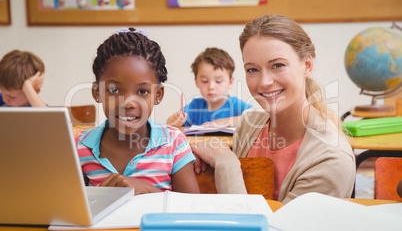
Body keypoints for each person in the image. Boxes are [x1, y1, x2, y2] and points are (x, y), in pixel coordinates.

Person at [191, 15, 356, 204]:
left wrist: (225, 163)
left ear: (307, 66)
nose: (264, 82)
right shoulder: (249, 124)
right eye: (252, 69)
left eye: (277, 65)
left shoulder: (332, 159)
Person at [75, 27, 200, 195]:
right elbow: (73, 211)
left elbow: (188, 212)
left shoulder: (174, 143)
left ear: (158, 95)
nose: (128, 103)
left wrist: (147, 190)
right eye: (114, 90)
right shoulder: (80, 147)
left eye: (142, 92)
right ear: (97, 92)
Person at [166, 47, 252, 128]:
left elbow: (258, 118)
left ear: (230, 82)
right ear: (196, 81)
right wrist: (173, 121)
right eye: (204, 81)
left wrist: (226, 122)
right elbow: (171, 124)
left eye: (218, 81)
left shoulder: (236, 105)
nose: (211, 87)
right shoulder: (195, 106)